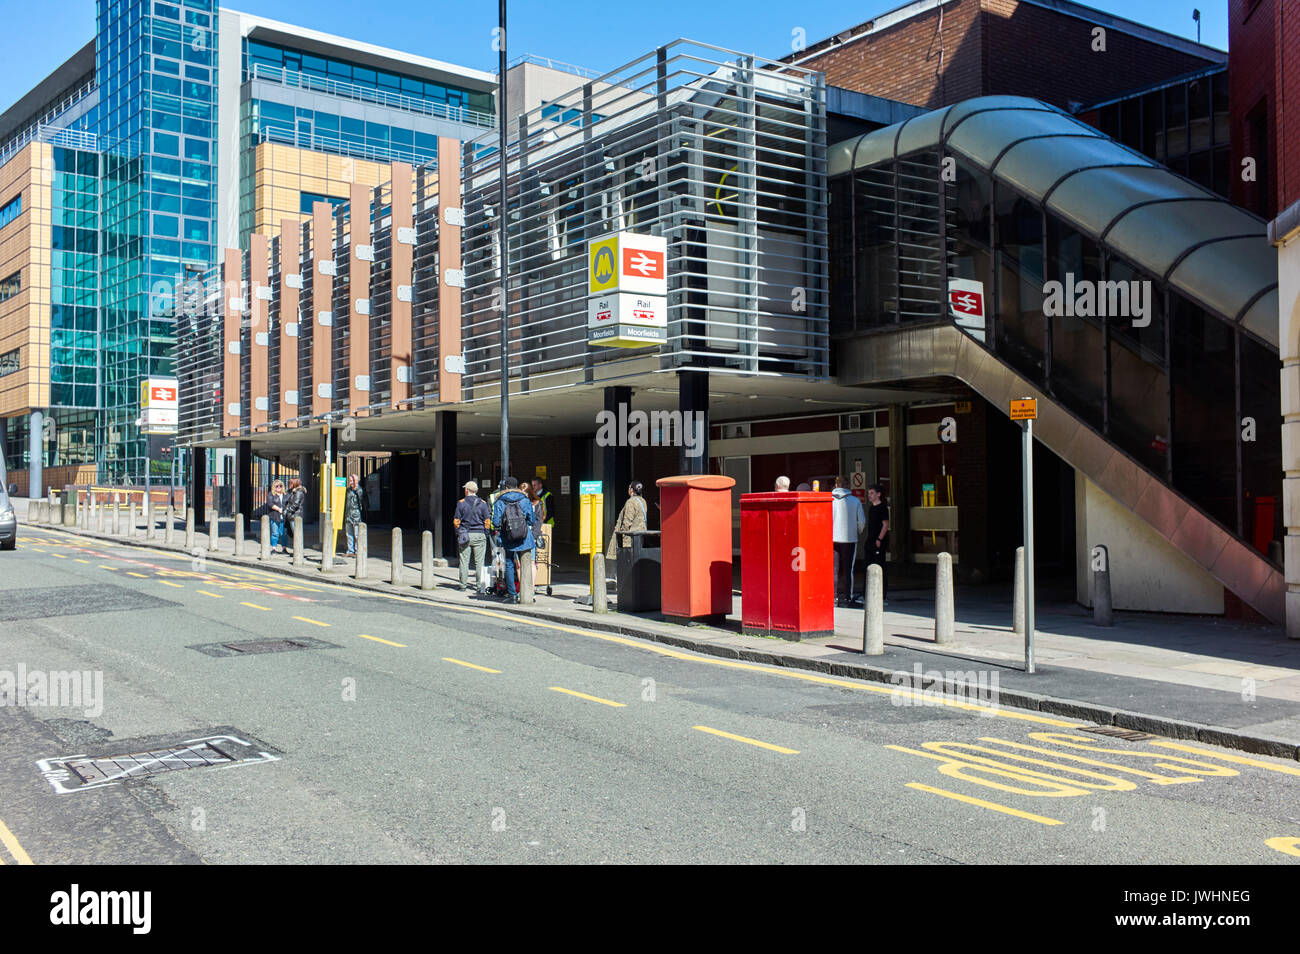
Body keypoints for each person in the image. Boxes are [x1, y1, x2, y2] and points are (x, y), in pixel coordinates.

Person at [492, 477, 538, 603]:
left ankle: (512, 595)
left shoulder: (500, 501)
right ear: (516, 486)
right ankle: (527, 594)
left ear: (506, 487)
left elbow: (496, 522)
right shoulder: (524, 499)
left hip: (508, 538)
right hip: (524, 537)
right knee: (526, 563)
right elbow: (532, 520)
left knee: (509, 564)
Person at [831, 476, 866, 606]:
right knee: (848, 569)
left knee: (833, 569)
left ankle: (833, 597)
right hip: (849, 539)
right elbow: (861, 521)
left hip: (832, 538)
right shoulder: (855, 501)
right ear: (848, 486)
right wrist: (856, 531)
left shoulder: (829, 501)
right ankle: (847, 597)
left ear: (836, 485)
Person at [454, 480, 490, 594]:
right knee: (479, 562)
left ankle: (463, 585)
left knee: (464, 561)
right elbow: (487, 521)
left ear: (466, 490)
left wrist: (458, 532)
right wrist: (486, 533)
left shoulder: (461, 503)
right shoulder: (483, 503)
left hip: (465, 535)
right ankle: (479, 585)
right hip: (479, 534)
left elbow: (456, 521)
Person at [606, 480, 648, 567]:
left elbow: (627, 522)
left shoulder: (631, 502)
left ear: (631, 490)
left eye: (629, 487)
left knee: (626, 563)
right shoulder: (643, 501)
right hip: (639, 536)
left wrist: (621, 537)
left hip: (629, 539)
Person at [866, 483, 890, 601]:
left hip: (878, 541)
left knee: (880, 566)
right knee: (869, 565)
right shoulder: (871, 508)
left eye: (872, 493)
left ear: (878, 494)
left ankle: (883, 594)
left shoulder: (882, 508)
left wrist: (879, 539)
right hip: (870, 540)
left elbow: (885, 525)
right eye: (869, 493)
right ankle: (869, 593)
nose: (869, 496)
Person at [343, 473, 365, 555]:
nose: (351, 482)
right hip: (348, 514)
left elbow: (361, 503)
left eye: (352, 480)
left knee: (357, 534)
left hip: (356, 515)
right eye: (350, 480)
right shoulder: (348, 490)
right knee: (349, 534)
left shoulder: (359, 490)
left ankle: (357, 550)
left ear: (356, 481)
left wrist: (360, 513)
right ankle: (350, 550)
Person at [282, 477, 305, 550]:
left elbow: (296, 504)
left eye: (290, 483)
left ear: (295, 484)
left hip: (295, 515)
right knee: (293, 534)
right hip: (292, 515)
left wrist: (288, 511)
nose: (289, 484)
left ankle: (298, 551)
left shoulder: (298, 492)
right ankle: (296, 550)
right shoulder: (293, 491)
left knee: (296, 534)